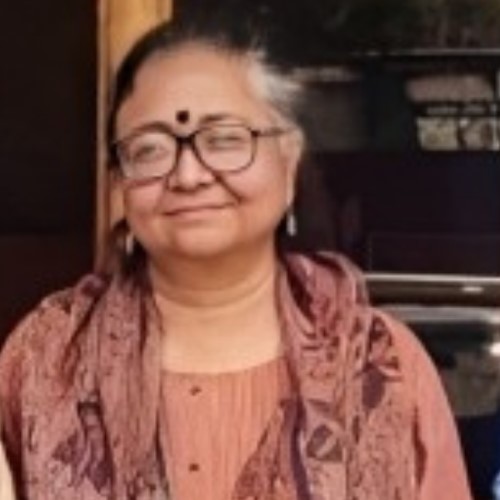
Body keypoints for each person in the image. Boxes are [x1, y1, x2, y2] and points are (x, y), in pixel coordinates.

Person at [0, 19, 471, 500]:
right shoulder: (45, 358)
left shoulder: (381, 364)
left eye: (224, 139)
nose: (188, 176)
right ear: (120, 179)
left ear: (288, 160)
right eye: (150, 149)